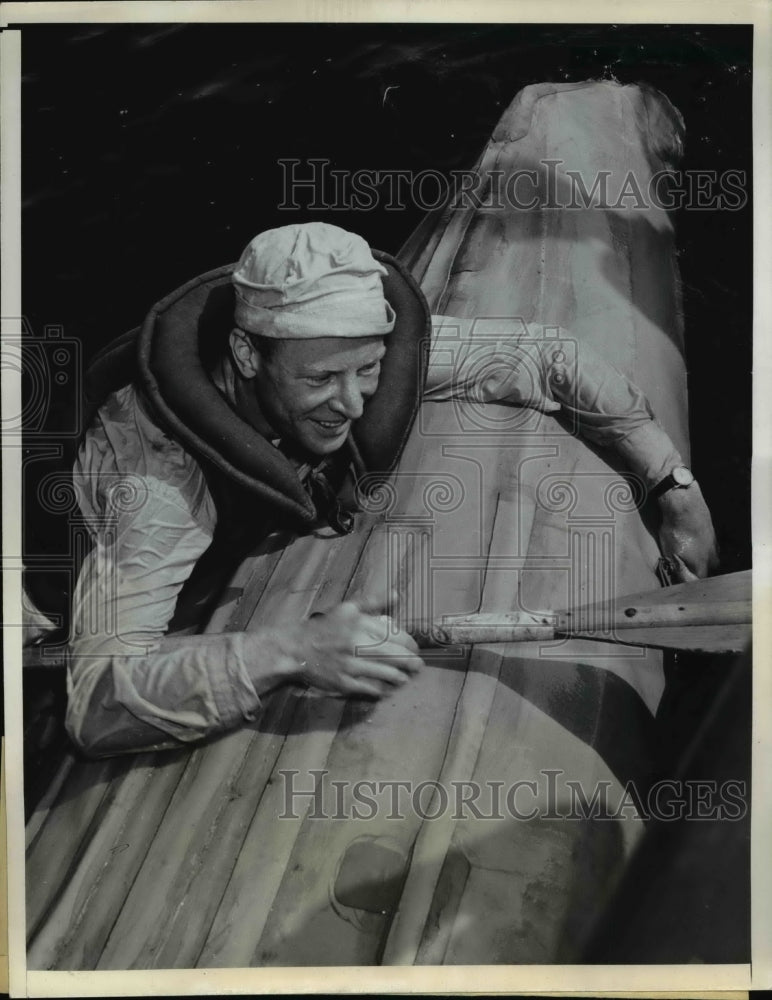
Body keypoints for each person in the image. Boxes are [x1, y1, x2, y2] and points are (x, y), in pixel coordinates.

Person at [64, 222, 717, 756]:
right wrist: (289, 650)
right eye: (320, 380)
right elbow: (96, 708)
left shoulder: (341, 348)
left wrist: (669, 482)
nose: (350, 404)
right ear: (244, 353)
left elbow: (546, 355)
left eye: (368, 370)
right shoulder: (155, 485)